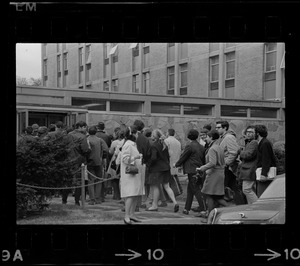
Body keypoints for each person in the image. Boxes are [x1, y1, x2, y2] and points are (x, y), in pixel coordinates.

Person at [198, 130, 229, 216]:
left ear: (211, 138)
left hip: (213, 174)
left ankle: (210, 215)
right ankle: (212, 214)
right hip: (219, 173)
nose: (206, 138)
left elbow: (212, 163)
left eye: (207, 136)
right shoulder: (219, 147)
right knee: (215, 196)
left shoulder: (212, 149)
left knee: (210, 195)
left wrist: (202, 168)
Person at [175, 129, 206, 215]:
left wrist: (177, 164)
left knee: (196, 189)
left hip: (192, 170)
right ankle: (186, 209)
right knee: (190, 190)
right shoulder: (201, 146)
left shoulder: (189, 146)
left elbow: (184, 156)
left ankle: (203, 209)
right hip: (199, 169)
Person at [147, 129, 179, 212]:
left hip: (156, 169)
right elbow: (168, 157)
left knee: (156, 186)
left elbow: (153, 158)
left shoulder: (154, 145)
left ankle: (154, 205)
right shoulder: (164, 145)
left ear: (154, 136)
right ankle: (175, 202)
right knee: (167, 186)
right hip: (166, 168)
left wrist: (149, 165)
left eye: (152, 135)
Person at [118, 125, 144, 224]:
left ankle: (132, 214)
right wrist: (136, 157)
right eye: (136, 133)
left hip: (135, 173)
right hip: (129, 174)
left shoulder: (132, 144)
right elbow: (124, 159)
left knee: (135, 194)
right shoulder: (128, 144)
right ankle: (127, 216)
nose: (138, 135)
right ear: (132, 134)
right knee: (130, 194)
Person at [216, 120, 246, 205]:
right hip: (227, 167)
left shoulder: (229, 137)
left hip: (228, 168)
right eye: (216, 127)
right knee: (233, 188)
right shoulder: (223, 137)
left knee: (221, 189)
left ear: (225, 128)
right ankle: (240, 206)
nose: (217, 129)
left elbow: (233, 152)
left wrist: (225, 164)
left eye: (218, 127)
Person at [62, 121, 90, 205]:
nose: (86, 129)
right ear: (81, 127)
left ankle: (64, 200)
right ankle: (77, 201)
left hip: (68, 160)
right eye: (85, 127)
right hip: (78, 161)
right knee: (78, 181)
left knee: (67, 181)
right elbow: (85, 149)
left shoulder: (68, 135)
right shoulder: (82, 137)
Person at [133, 120, 151, 211]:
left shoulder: (132, 137)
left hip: (133, 162)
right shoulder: (145, 139)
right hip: (143, 162)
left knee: (133, 184)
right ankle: (141, 202)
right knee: (141, 184)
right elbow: (148, 153)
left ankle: (134, 204)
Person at [255, 124, 277, 197]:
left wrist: (264, 174)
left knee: (262, 193)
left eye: (253, 132)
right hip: (263, 171)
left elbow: (266, 159)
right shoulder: (263, 142)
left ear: (257, 133)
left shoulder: (265, 143)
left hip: (264, 173)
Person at [238, 126, 259, 204]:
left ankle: (258, 206)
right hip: (248, 169)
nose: (249, 134)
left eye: (251, 132)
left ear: (255, 134)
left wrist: (240, 152)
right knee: (251, 189)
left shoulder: (254, 142)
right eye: (248, 132)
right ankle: (252, 208)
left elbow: (248, 155)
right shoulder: (249, 142)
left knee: (246, 190)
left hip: (250, 169)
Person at [86, 126, 103, 205]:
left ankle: (92, 199)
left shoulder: (87, 139)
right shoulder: (99, 140)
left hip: (90, 161)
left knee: (91, 180)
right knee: (99, 180)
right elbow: (105, 149)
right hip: (98, 161)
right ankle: (97, 198)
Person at [108, 127, 125, 200]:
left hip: (115, 161)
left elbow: (111, 151)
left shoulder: (114, 142)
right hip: (123, 161)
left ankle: (116, 194)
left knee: (114, 178)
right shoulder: (126, 141)